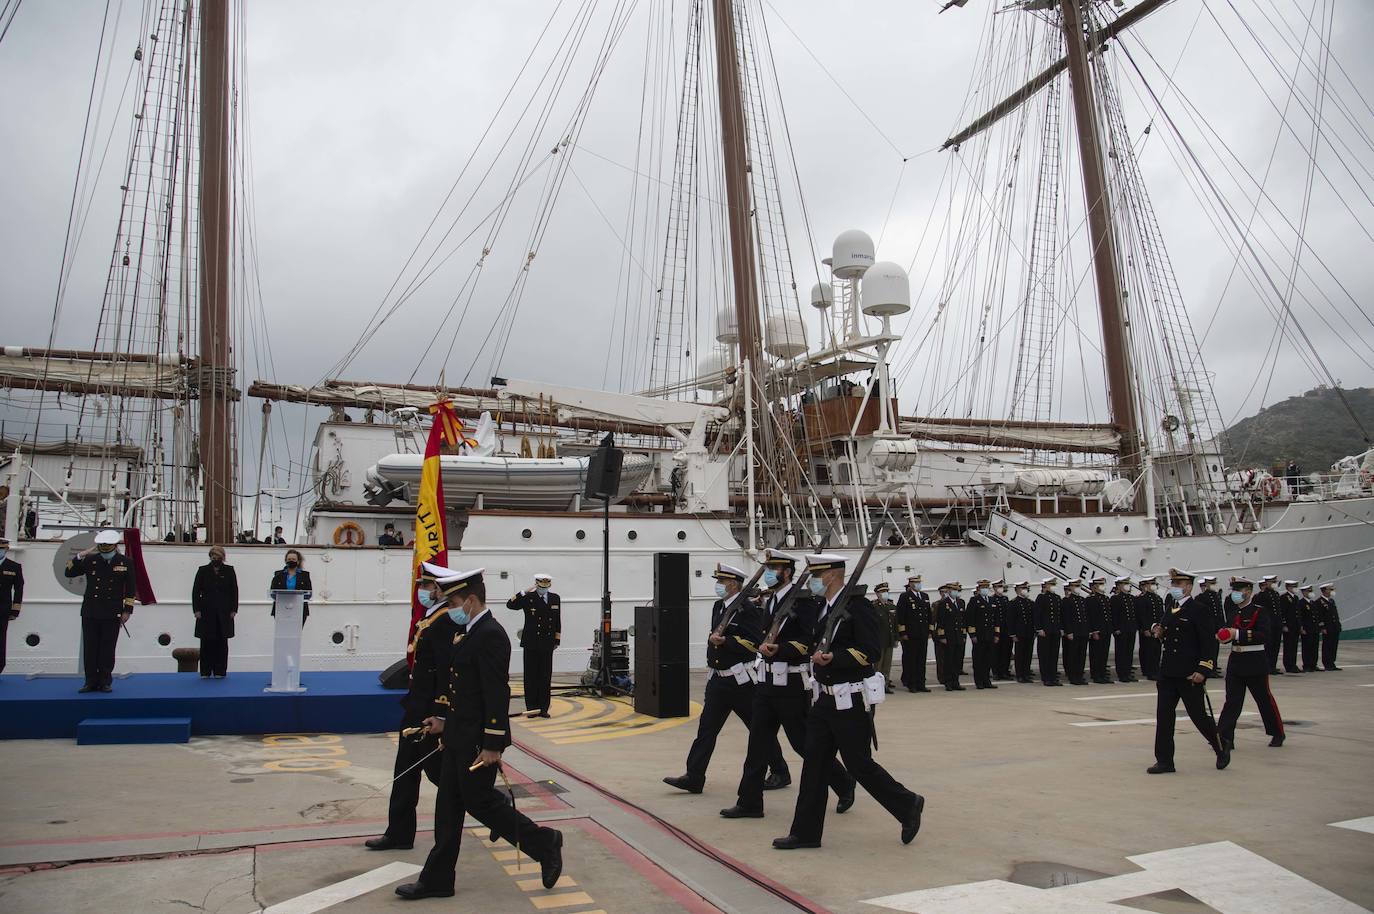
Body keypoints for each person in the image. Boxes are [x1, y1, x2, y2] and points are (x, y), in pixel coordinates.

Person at [396, 566, 564, 899]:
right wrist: (443, 721)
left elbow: (495, 693)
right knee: (448, 809)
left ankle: (544, 842)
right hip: (458, 735)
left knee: (482, 803)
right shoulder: (471, 631)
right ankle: (437, 880)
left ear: (470, 600)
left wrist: (491, 743)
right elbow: (463, 690)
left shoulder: (489, 634)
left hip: (477, 741)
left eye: (454, 601)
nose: (451, 608)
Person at [772, 553, 925, 850]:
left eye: (818, 575)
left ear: (833, 575)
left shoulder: (858, 607)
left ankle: (907, 804)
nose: (814, 581)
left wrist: (835, 658)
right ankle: (805, 833)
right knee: (814, 766)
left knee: (859, 764)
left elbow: (870, 652)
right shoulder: (822, 608)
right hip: (823, 701)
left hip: (850, 700)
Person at [721, 549, 854, 820]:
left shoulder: (804, 602)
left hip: (791, 684)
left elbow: (809, 641)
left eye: (774, 569)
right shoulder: (771, 601)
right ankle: (749, 802)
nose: (769, 574)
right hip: (766, 681)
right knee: (757, 743)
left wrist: (779, 648)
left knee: (802, 743)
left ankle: (843, 782)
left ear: (788, 572)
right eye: (768, 569)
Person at [365, 561, 463, 852]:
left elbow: (447, 671)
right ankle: (399, 832)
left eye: (426, 585)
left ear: (439, 589)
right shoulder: (431, 617)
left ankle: (494, 810)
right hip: (416, 706)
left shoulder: (445, 620)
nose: (421, 590)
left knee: (443, 776)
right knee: (405, 772)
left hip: (429, 712)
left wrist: (441, 711)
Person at [665, 564, 788, 794]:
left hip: (741, 681)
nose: (718, 585)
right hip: (718, 681)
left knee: (758, 729)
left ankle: (780, 770)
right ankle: (694, 776)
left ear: (733, 585)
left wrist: (728, 642)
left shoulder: (748, 611)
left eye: (722, 582)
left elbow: (754, 644)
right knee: (706, 730)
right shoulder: (718, 607)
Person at [1147, 568, 1228, 774]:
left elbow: (1208, 643)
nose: (1175, 588)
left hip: (1189, 674)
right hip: (1168, 673)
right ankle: (1165, 761)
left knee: (1199, 716)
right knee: (1164, 717)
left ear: (1189, 587)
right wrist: (1158, 630)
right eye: (1173, 584)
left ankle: (1220, 746)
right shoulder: (1171, 608)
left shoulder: (1198, 610)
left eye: (1179, 585)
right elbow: (1166, 631)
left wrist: (1203, 669)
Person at [1216, 577, 1285, 750]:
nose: (1236, 594)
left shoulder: (1259, 612)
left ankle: (1277, 732)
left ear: (1248, 591)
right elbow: (1227, 633)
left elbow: (1264, 635)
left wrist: (1237, 634)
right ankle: (1225, 737)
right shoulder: (1233, 613)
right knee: (1232, 701)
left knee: (1264, 700)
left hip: (1255, 661)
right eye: (1234, 590)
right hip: (1236, 662)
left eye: (1239, 590)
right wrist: (1222, 636)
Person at [65, 529, 136, 693]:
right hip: (91, 610)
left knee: (107, 647)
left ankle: (105, 680)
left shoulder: (125, 562)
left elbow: (131, 589)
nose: (104, 548)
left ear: (114, 545)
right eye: (101, 545)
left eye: (107, 545)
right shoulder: (91, 560)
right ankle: (90, 681)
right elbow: (69, 572)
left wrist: (128, 611)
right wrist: (78, 557)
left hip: (112, 611)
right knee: (90, 647)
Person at [505, 573, 561, 717]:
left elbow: (557, 621)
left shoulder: (555, 598)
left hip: (547, 643)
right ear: (536, 585)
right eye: (541, 586)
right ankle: (532, 708)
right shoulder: (528, 597)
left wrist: (557, 640)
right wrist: (523, 592)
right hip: (531, 643)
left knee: (545, 677)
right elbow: (510, 605)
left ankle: (543, 708)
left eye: (546, 586)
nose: (543, 589)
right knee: (530, 677)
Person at [191, 545, 238, 678]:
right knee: (206, 642)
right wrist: (197, 609)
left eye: (218, 557)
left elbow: (234, 591)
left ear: (222, 557)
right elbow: (195, 592)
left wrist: (234, 609)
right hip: (206, 611)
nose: (215, 559)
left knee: (222, 642)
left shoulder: (229, 570)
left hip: (224, 612)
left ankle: (220, 671)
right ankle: (205, 671)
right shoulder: (203, 570)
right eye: (213, 556)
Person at [895, 575, 931, 692]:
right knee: (912, 659)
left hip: (922, 633)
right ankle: (912, 684)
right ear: (910, 584)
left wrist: (930, 630)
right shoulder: (905, 596)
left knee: (921, 659)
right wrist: (903, 632)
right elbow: (901, 616)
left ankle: (921, 683)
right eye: (916, 582)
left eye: (919, 582)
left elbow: (928, 615)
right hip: (911, 633)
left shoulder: (925, 596)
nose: (918, 584)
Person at [967, 579, 999, 690]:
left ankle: (987, 680)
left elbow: (996, 619)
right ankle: (979, 681)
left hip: (990, 635)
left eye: (986, 587)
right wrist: (972, 635)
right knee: (978, 659)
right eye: (983, 588)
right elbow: (970, 619)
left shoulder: (991, 600)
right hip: (979, 635)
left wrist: (996, 634)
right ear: (979, 589)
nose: (985, 589)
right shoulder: (974, 601)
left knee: (988, 659)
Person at [933, 582, 966, 691]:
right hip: (948, 636)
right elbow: (940, 621)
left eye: (957, 590)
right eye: (953, 590)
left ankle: (955, 681)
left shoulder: (960, 603)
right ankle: (948, 682)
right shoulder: (943, 604)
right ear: (949, 591)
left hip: (958, 636)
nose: (956, 592)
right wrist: (942, 636)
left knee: (957, 660)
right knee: (948, 660)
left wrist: (964, 634)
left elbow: (962, 620)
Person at [1033, 579, 1063, 686]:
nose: (1053, 586)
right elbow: (1037, 614)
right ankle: (1046, 677)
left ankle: (1053, 676)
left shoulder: (1057, 598)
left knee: (1054, 655)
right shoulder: (1041, 598)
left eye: (1054, 584)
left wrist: (1061, 628)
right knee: (1045, 654)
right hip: (1045, 630)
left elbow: (1060, 615)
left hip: (1055, 630)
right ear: (1046, 586)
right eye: (1052, 584)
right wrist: (1039, 628)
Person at [0, 537, 23, 675]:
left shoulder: (14, 567)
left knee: (1, 639)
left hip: (3, 609)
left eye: (1, 549)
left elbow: (19, 589)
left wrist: (15, 610)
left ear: (6, 550)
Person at [270, 550, 312, 625]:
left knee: (296, 634)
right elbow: (272, 591)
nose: (291, 561)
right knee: (282, 632)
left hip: (299, 609)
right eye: (289, 559)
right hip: (281, 608)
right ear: (286, 561)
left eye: (293, 559)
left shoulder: (305, 575)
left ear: (298, 561)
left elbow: (309, 593)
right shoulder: (278, 574)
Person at [1110, 577, 1138, 683]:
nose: (1127, 585)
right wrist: (1116, 628)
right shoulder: (1115, 598)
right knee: (1121, 652)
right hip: (1121, 630)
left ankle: (1127, 672)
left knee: (1129, 652)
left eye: (1128, 583)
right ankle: (1121, 674)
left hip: (1131, 629)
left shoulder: (1131, 598)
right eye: (1125, 584)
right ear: (1119, 586)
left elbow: (1134, 614)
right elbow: (1114, 615)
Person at [1086, 577, 1114, 684]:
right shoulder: (1091, 599)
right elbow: (1091, 616)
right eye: (1100, 584)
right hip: (1097, 631)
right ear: (1094, 587)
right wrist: (1094, 631)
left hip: (1106, 630)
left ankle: (1102, 674)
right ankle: (1096, 675)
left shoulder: (1105, 598)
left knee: (1104, 653)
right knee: (1096, 654)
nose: (1102, 586)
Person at [1061, 579, 1089, 686]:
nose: (1078, 587)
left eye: (1079, 585)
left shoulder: (1082, 600)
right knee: (1073, 655)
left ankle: (1079, 675)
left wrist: (1088, 630)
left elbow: (1086, 617)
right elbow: (1066, 618)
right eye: (1075, 586)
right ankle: (1073, 676)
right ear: (1070, 588)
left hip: (1083, 631)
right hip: (1074, 632)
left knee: (1081, 655)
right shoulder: (1067, 601)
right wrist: (1069, 631)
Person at [1253, 575, 1282, 675]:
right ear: (1267, 583)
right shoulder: (1262, 595)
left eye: (1275, 581)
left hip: (1276, 624)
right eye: (1272, 582)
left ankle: (1273, 665)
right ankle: (1267, 666)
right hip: (1268, 624)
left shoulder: (1276, 594)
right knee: (1268, 646)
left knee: (1276, 645)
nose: (1274, 583)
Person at [1135, 577, 1163, 680]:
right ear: (1146, 586)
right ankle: (1149, 671)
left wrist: (1161, 627)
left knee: (1157, 650)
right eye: (1151, 583)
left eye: (1154, 583)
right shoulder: (1142, 599)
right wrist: (1145, 628)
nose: (1153, 585)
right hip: (1148, 629)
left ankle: (1156, 669)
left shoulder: (1158, 598)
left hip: (1157, 629)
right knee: (1148, 650)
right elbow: (1142, 615)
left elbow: (1161, 614)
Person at [872, 583, 898, 694]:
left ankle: (885, 685)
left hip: (889, 640)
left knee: (887, 665)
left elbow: (895, 624)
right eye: (882, 592)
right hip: (878, 640)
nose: (885, 594)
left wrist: (896, 638)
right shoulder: (873, 607)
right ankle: (876, 686)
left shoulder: (891, 606)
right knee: (878, 665)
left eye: (886, 591)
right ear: (877, 594)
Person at [1008, 582, 1036, 683]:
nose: (1025, 589)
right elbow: (1010, 620)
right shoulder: (1013, 603)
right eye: (1022, 588)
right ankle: (1020, 674)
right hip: (1019, 633)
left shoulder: (1030, 603)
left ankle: (1026, 674)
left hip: (1029, 632)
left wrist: (1035, 632)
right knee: (1019, 655)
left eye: (1026, 588)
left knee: (1028, 654)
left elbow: (1034, 619)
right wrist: (1012, 634)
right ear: (1017, 590)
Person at [1198, 576, 1225, 677]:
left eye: (1214, 583)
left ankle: (1214, 666)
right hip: (1208, 627)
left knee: (1216, 648)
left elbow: (1219, 612)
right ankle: (1209, 669)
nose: (1213, 585)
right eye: (1211, 583)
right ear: (1206, 584)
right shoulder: (1202, 597)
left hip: (1217, 627)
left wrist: (1222, 625)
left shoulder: (1216, 596)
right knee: (1209, 649)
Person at [990, 580, 1013, 680]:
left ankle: (1004, 671)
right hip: (996, 630)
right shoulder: (991, 599)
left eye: (1001, 586)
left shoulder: (1005, 599)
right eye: (998, 586)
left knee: (1006, 651)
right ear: (994, 588)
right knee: (996, 652)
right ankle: (996, 672)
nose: (1000, 588)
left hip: (1006, 629)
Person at [1317, 582, 1342, 671]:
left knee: (1333, 646)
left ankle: (1332, 663)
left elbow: (1335, 615)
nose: (1332, 591)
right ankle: (1327, 663)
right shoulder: (1319, 602)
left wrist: (1338, 625)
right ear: (1324, 591)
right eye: (1330, 589)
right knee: (1327, 646)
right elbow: (1319, 616)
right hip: (1327, 628)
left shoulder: (1331, 601)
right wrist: (1322, 627)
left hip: (1334, 627)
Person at [1280, 580, 1303, 673]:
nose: (1295, 588)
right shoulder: (1284, 598)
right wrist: (1284, 624)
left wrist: (1300, 625)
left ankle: (1293, 664)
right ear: (1288, 587)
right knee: (1288, 646)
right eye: (1293, 586)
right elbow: (1283, 612)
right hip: (1289, 626)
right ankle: (1288, 665)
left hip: (1295, 626)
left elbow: (1298, 613)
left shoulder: (1296, 598)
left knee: (1294, 646)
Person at [1298, 584, 1320, 672]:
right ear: (1303, 592)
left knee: (1314, 647)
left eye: (1311, 591)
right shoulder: (1301, 603)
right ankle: (1306, 665)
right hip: (1307, 629)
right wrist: (1301, 628)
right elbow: (1300, 617)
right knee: (1307, 647)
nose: (1310, 593)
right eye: (1308, 591)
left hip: (1314, 628)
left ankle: (1313, 664)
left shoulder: (1312, 603)